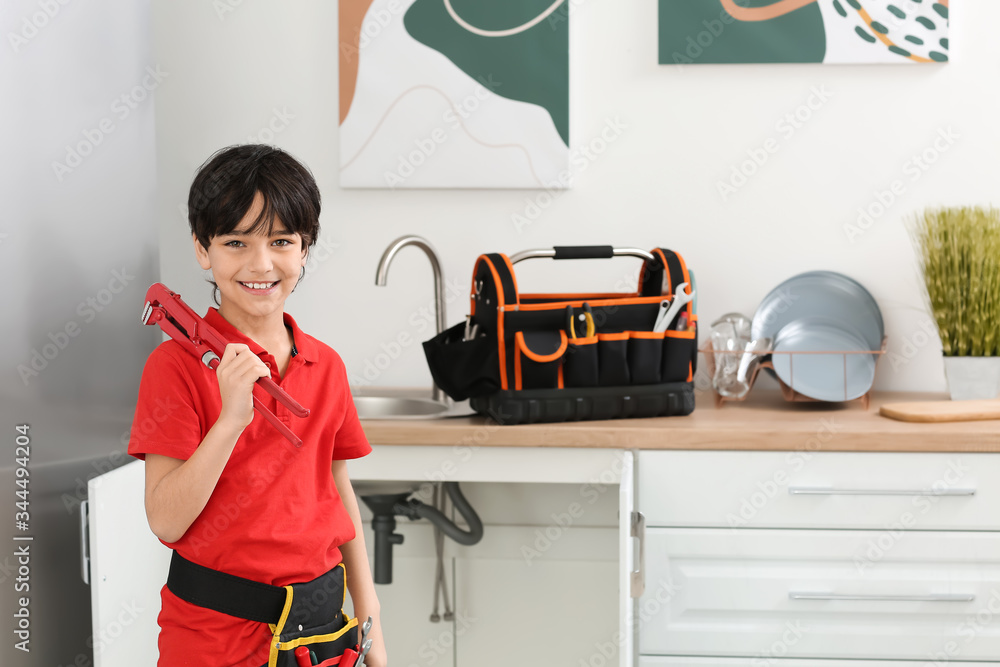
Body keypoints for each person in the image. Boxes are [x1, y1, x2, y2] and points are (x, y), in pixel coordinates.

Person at [127, 144, 386, 667]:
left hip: (322, 636)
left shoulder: (326, 365)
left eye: (281, 241)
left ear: (305, 249)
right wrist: (230, 420)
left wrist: (370, 618)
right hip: (213, 640)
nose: (261, 264)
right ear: (203, 250)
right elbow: (166, 521)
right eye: (236, 242)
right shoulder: (174, 368)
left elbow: (336, 489)